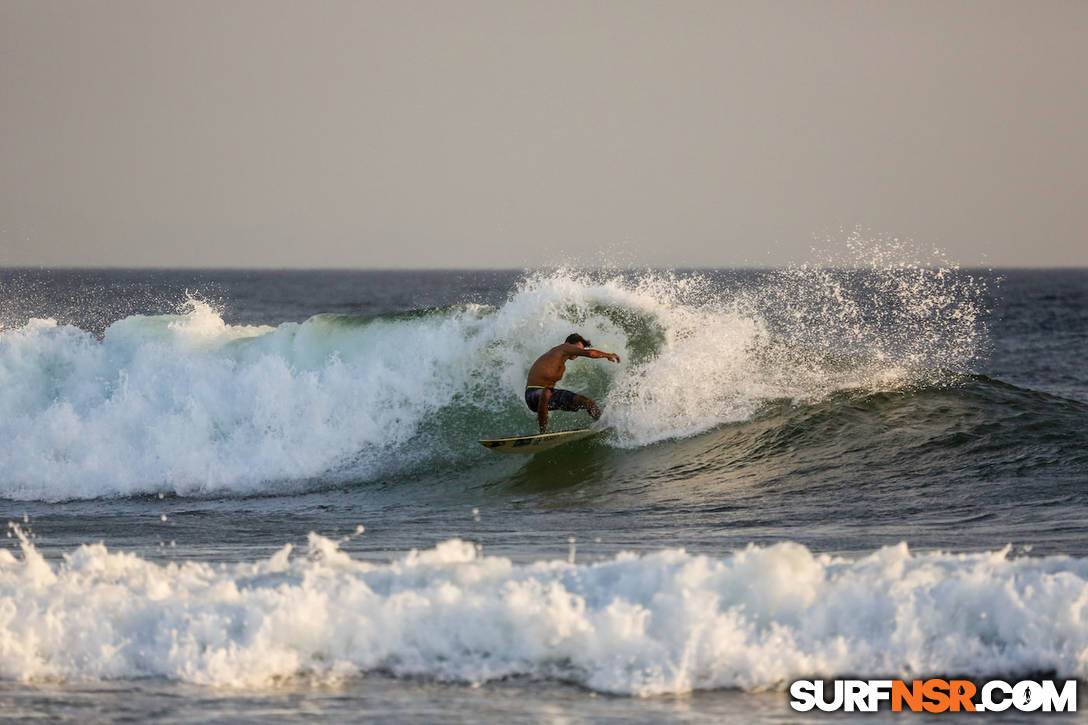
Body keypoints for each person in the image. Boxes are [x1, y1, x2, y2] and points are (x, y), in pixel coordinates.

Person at [524, 333, 621, 434]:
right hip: (532, 393)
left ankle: (602, 425)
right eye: (578, 348)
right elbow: (590, 354)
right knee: (546, 392)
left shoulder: (560, 362)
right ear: (568, 343)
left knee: (587, 402)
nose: (578, 352)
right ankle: (542, 433)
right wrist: (608, 355)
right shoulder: (564, 347)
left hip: (546, 396)